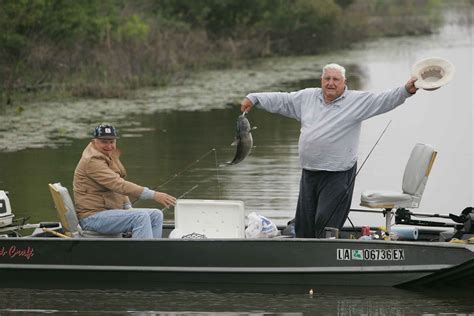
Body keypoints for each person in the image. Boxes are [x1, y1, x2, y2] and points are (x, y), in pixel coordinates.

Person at [240, 63, 419, 238]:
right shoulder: (307, 97)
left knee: (325, 223)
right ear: (321, 80)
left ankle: (325, 255)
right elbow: (282, 100)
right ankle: (303, 256)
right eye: (327, 78)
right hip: (310, 171)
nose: (330, 83)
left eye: (335, 79)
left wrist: (406, 90)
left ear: (344, 82)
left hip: (338, 173)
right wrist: (255, 98)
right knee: (304, 225)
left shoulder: (356, 101)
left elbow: (384, 100)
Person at [73, 123, 176, 238]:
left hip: (109, 212)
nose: (109, 146)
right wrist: (153, 194)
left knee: (156, 215)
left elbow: (119, 182)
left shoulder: (106, 155)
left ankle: (154, 251)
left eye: (111, 142)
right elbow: (118, 184)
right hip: (92, 217)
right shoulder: (92, 160)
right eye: (104, 142)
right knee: (140, 216)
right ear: (94, 142)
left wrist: (127, 207)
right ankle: (145, 255)